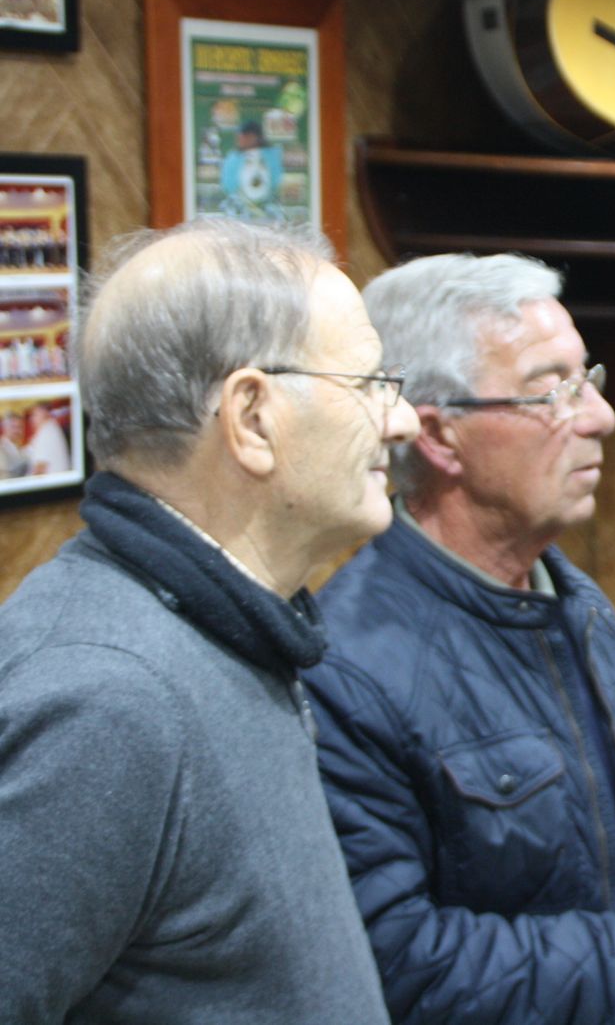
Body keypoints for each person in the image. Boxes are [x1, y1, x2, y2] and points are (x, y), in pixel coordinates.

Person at [302, 251, 615, 1025]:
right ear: (439, 436)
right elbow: (394, 962)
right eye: (551, 391)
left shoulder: (573, 602)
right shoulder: (349, 669)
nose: (598, 417)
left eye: (586, 379)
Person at [0, 216, 417, 1022]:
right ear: (252, 418)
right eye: (371, 384)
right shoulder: (105, 701)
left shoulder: (231, 626)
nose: (401, 422)